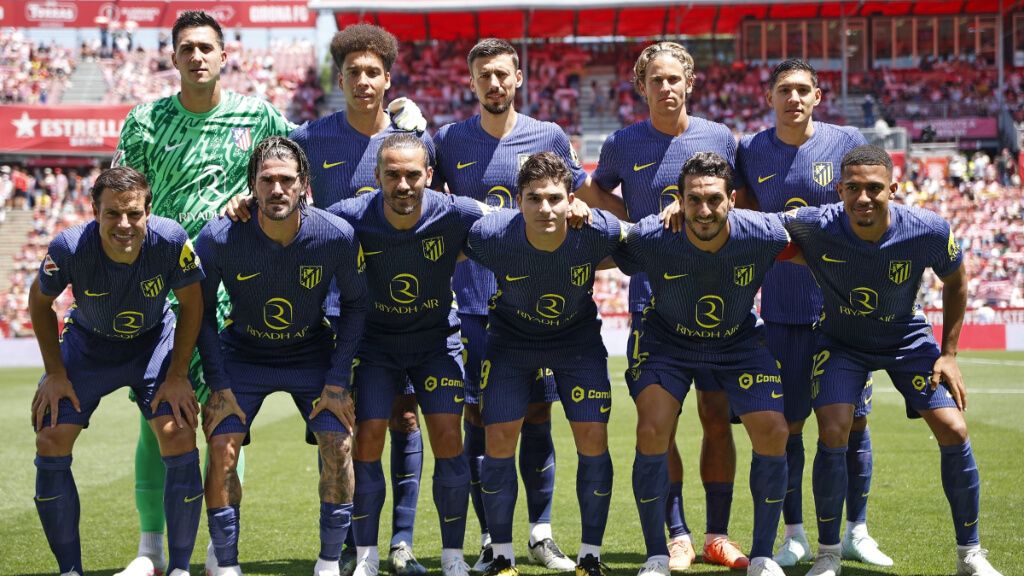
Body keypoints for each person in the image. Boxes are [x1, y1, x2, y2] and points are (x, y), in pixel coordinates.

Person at [112, 10, 293, 576]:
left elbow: (289, 183)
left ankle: (221, 550)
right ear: (173, 57)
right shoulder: (144, 121)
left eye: (205, 47)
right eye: (186, 47)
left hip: (236, 291)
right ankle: (151, 550)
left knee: (226, 419)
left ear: (223, 54)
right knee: (158, 417)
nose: (196, 56)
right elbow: (121, 207)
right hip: (160, 293)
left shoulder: (259, 116)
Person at [783, 145, 1004, 576]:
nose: (863, 198)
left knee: (954, 428)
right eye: (853, 188)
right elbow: (755, 228)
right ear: (839, 188)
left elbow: (956, 281)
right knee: (832, 429)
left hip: (905, 336)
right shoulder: (813, 225)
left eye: (874, 188)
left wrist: (951, 354)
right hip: (841, 339)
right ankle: (828, 555)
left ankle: (970, 555)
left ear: (894, 189)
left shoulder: (927, 229)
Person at [585, 41, 742, 572]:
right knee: (661, 423)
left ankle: (717, 534)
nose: (666, 87)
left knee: (717, 418)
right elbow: (592, 191)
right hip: (654, 307)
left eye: (675, 78)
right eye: (657, 80)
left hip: (722, 307)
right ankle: (676, 534)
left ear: (690, 82)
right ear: (642, 85)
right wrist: (634, 219)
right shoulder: (623, 142)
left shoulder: (719, 138)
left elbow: (733, 203)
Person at [432, 38, 585, 572]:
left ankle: (541, 535)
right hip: (475, 306)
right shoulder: (449, 140)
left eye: (501, 74)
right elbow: (427, 199)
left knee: (539, 416)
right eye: (483, 77)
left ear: (517, 77)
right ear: (471, 83)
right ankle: (489, 538)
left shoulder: (550, 136)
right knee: (481, 419)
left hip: (539, 302)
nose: (493, 84)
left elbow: (576, 198)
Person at [733, 59, 888, 568]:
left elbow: (870, 215)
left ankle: (856, 530)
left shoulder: (845, 143)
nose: (794, 98)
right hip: (781, 311)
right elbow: (745, 217)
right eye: (785, 90)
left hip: (842, 312)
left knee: (852, 424)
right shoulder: (751, 150)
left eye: (803, 90)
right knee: (791, 425)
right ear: (770, 97)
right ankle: (795, 532)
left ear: (817, 96)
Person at [290, 25, 431, 575]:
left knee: (405, 420)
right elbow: (271, 184)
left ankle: (401, 542)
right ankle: (353, 540)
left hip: (404, 306)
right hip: (334, 311)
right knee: (344, 428)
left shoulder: (414, 139)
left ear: (387, 78)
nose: (364, 81)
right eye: (354, 72)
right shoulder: (309, 138)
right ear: (340, 79)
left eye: (374, 72)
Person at [195, 136, 367, 576]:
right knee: (221, 446)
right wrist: (219, 384)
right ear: (252, 184)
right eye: (267, 180)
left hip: (310, 351)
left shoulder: (335, 235)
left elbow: (355, 305)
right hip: (243, 354)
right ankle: (226, 561)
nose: (277, 189)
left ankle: (330, 561)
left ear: (304, 184)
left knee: (338, 442)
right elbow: (199, 314)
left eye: (286, 180)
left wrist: (337, 381)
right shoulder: (219, 236)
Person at [615, 152, 792, 576]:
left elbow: (822, 226)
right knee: (653, 426)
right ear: (679, 200)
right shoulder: (652, 236)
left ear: (733, 199)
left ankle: (751, 552)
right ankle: (666, 546)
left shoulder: (764, 233)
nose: (705, 209)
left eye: (714, 199)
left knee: (772, 429)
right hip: (668, 340)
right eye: (694, 200)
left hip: (736, 340)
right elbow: (604, 243)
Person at [28, 167, 205, 576]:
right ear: (95, 211)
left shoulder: (172, 240)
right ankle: (70, 569)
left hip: (153, 342)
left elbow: (192, 303)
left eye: (133, 214)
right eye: (112, 214)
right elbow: (40, 303)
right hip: (89, 346)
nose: (124, 224)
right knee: (51, 435)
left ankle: (178, 568)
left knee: (178, 431)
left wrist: (178, 374)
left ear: (148, 211)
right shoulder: (69, 247)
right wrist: (54, 373)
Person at [325, 133, 486, 576]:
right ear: (376, 176)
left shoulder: (457, 213)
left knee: (449, 441)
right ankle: (366, 557)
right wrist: (243, 206)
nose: (403, 184)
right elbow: (298, 226)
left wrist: (573, 209)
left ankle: (453, 556)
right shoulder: (349, 217)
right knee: (369, 442)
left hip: (436, 344)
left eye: (413, 174)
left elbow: (516, 222)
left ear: (429, 176)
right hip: (376, 347)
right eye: (392, 174)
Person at [464, 152, 620, 576]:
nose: (545, 208)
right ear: (519, 201)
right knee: (498, 442)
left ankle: (590, 556)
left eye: (555, 198)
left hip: (576, 342)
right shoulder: (491, 234)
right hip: (511, 343)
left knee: (592, 439)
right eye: (534, 199)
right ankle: (502, 557)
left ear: (571, 199)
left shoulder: (597, 230)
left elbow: (648, 244)